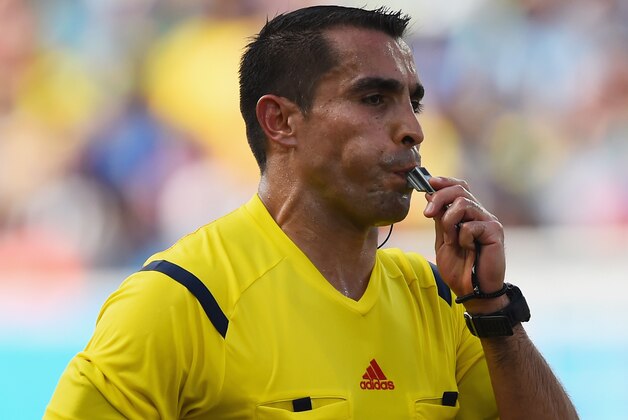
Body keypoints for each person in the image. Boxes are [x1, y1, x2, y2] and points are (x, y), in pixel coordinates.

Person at [45, 5, 579, 419]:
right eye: (374, 99)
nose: (413, 129)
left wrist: (491, 310)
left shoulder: (440, 298)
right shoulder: (184, 298)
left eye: (412, 102)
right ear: (280, 121)